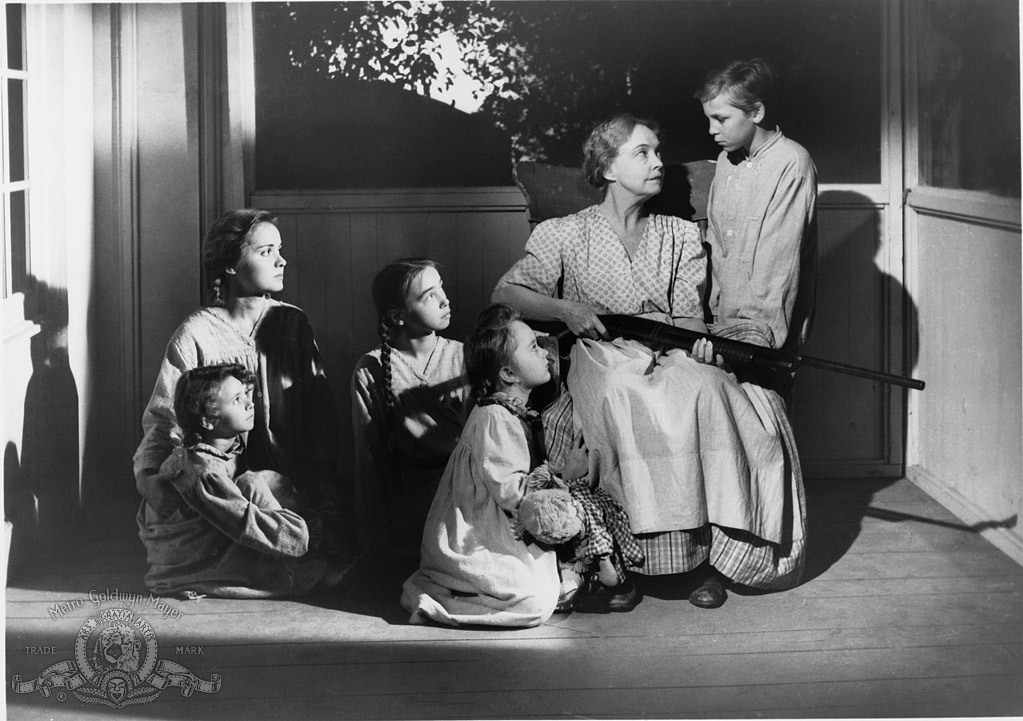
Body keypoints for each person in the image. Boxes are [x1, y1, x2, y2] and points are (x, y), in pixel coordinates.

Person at [493, 113, 806, 609]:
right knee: (624, 391)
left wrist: (704, 347)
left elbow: (688, 317)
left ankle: (701, 561)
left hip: (670, 348)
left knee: (706, 388)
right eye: (643, 152)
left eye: (659, 152)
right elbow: (505, 292)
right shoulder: (563, 233)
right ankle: (627, 560)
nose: (658, 162)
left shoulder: (680, 235)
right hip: (601, 355)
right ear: (608, 166)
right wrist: (565, 309)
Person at [133, 209, 341, 530]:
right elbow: (165, 421)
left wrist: (323, 485)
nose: (281, 261)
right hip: (222, 487)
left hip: (290, 483)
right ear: (231, 264)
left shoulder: (292, 323)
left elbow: (321, 416)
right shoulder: (197, 333)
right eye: (266, 252)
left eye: (280, 249)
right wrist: (147, 479)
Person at [400, 303, 581, 627]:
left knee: (550, 587)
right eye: (533, 347)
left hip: (494, 527)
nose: (546, 354)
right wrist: (568, 470)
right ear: (508, 374)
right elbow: (513, 494)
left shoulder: (511, 413)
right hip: (471, 538)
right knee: (537, 604)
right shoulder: (494, 418)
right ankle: (431, 595)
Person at [137, 364, 342, 598]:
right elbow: (244, 522)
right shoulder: (203, 470)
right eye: (237, 399)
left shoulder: (217, 447)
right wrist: (308, 534)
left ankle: (312, 548)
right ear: (207, 420)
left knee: (259, 481)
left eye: (246, 394)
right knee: (256, 494)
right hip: (181, 560)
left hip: (206, 539)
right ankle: (317, 566)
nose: (249, 402)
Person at [697, 58, 818, 371]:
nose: (711, 130)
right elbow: (717, 248)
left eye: (720, 119)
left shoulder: (792, 163)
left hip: (762, 339)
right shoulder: (726, 162)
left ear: (756, 112)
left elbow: (777, 269)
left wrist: (748, 340)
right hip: (719, 329)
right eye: (708, 119)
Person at [351, 258, 473, 561]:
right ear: (398, 315)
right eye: (429, 295)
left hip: (470, 500)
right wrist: (375, 544)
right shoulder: (371, 370)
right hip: (413, 507)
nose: (445, 300)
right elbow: (370, 462)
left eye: (441, 289)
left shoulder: (465, 358)